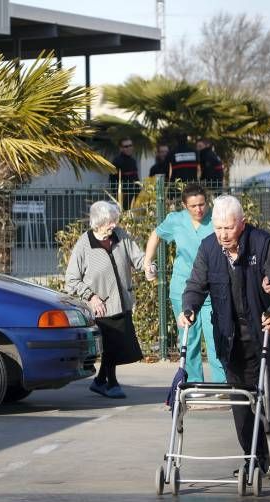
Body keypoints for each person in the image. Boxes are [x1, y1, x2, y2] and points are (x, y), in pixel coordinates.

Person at [178, 194, 270, 480]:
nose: (223, 235)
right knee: (241, 399)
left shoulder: (263, 243)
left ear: (242, 224)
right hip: (232, 339)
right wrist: (189, 308)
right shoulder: (209, 248)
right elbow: (196, 284)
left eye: (228, 228)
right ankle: (251, 458)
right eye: (218, 228)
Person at [144, 183, 226, 383]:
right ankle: (193, 384)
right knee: (189, 340)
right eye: (194, 206)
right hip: (183, 288)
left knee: (217, 338)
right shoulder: (175, 220)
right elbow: (156, 235)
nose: (199, 209)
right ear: (184, 205)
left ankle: (222, 384)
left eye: (202, 204)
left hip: (212, 289)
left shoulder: (216, 218)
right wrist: (148, 262)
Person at [65, 201, 145, 399]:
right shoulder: (84, 244)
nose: (114, 225)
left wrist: (149, 266)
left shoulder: (120, 235)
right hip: (100, 307)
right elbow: (71, 279)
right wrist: (91, 297)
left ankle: (100, 382)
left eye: (115, 221)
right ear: (99, 222)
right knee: (111, 346)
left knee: (118, 346)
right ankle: (111, 383)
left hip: (122, 302)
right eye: (110, 221)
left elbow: (139, 258)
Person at [109, 138, 140, 212]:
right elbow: (112, 180)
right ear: (121, 148)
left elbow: (136, 178)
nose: (129, 148)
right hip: (122, 197)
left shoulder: (133, 161)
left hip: (135, 196)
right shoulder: (117, 161)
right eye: (126, 146)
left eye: (130, 145)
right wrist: (117, 195)